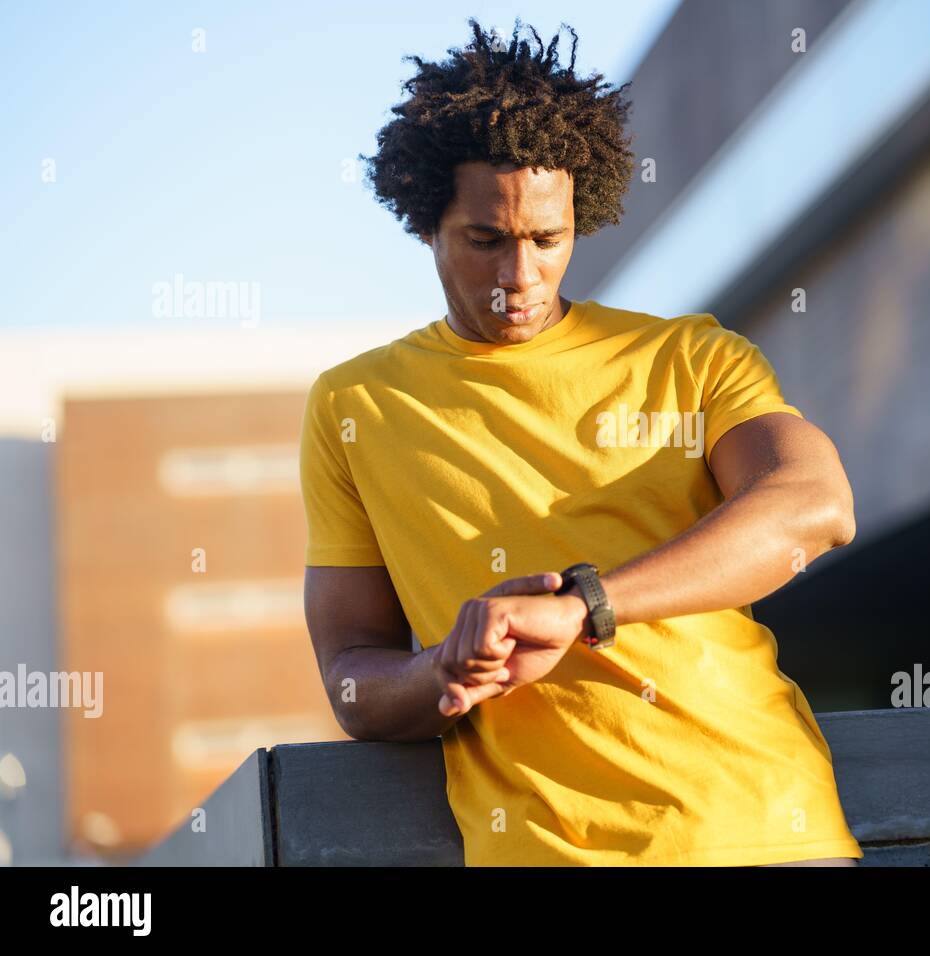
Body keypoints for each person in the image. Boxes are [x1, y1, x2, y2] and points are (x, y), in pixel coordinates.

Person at [299, 17, 862, 867]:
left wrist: (583, 607)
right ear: (426, 224)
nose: (518, 277)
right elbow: (352, 678)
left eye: (546, 240)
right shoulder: (355, 403)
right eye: (485, 241)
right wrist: (445, 673)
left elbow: (815, 508)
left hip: (758, 825)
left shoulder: (690, 356)